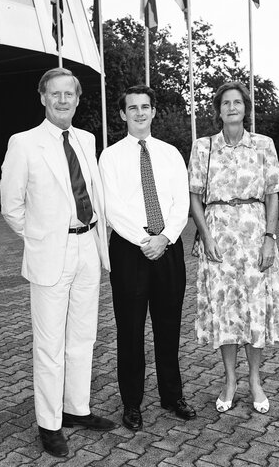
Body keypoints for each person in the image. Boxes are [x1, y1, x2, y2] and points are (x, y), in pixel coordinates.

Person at [0, 67, 114, 458]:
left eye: (70, 94)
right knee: (49, 344)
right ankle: (49, 423)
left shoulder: (86, 139)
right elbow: (11, 207)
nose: (63, 100)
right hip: (52, 253)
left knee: (83, 337)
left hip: (88, 250)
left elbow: (94, 194)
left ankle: (76, 408)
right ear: (42, 98)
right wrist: (42, 239)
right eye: (55, 94)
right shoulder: (24, 143)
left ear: (78, 99)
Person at [188, 81, 279, 415]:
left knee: (255, 309)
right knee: (226, 311)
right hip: (218, 239)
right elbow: (194, 195)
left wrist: (269, 238)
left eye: (238, 103)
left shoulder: (264, 145)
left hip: (253, 238)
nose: (232, 107)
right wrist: (205, 235)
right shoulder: (203, 147)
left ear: (245, 109)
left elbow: (273, 193)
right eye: (226, 103)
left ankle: (255, 379)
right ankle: (230, 379)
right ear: (218, 110)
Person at [98, 85, 196, 431]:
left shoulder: (170, 153)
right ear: (123, 114)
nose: (139, 113)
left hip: (167, 247)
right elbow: (112, 207)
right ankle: (132, 403)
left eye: (145, 107)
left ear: (154, 112)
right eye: (132, 108)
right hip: (130, 249)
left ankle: (172, 397)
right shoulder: (109, 157)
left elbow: (179, 202)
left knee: (168, 328)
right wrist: (144, 240)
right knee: (130, 330)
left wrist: (165, 237)